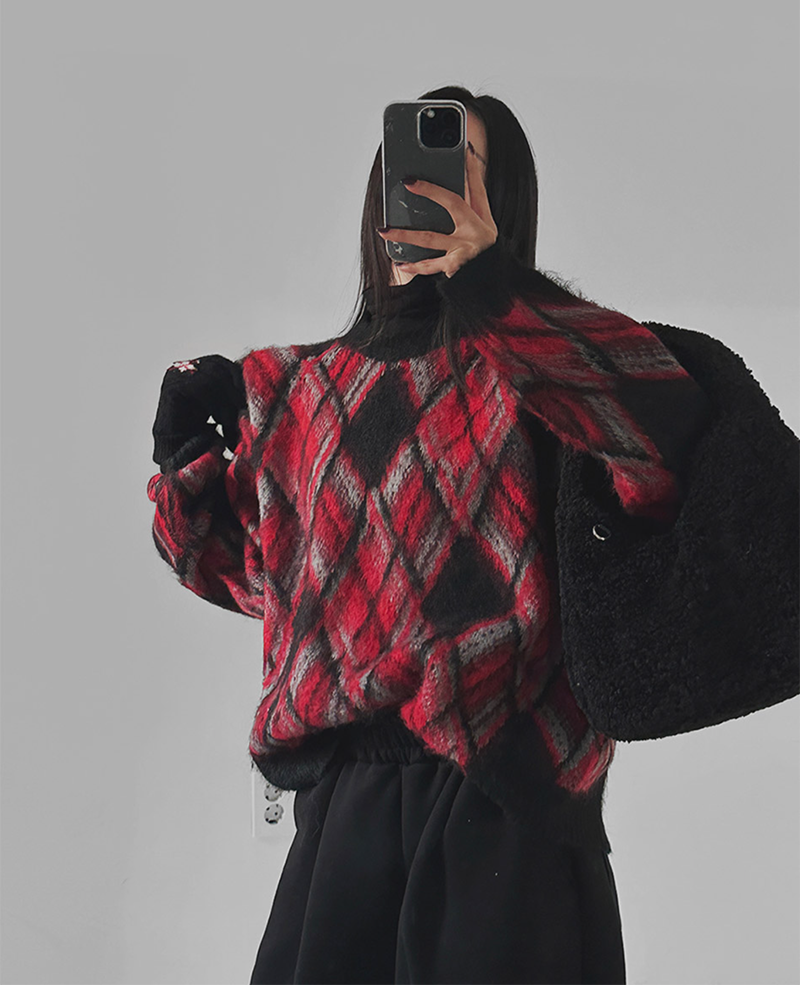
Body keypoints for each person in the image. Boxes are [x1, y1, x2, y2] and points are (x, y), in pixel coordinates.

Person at [148, 85, 800, 985]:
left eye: (461, 171)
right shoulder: (298, 390)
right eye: (410, 170)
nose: (429, 192)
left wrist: (497, 293)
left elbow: (675, 443)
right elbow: (263, 584)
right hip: (341, 822)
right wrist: (185, 455)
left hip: (506, 805)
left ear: (504, 203)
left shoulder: (549, 368)